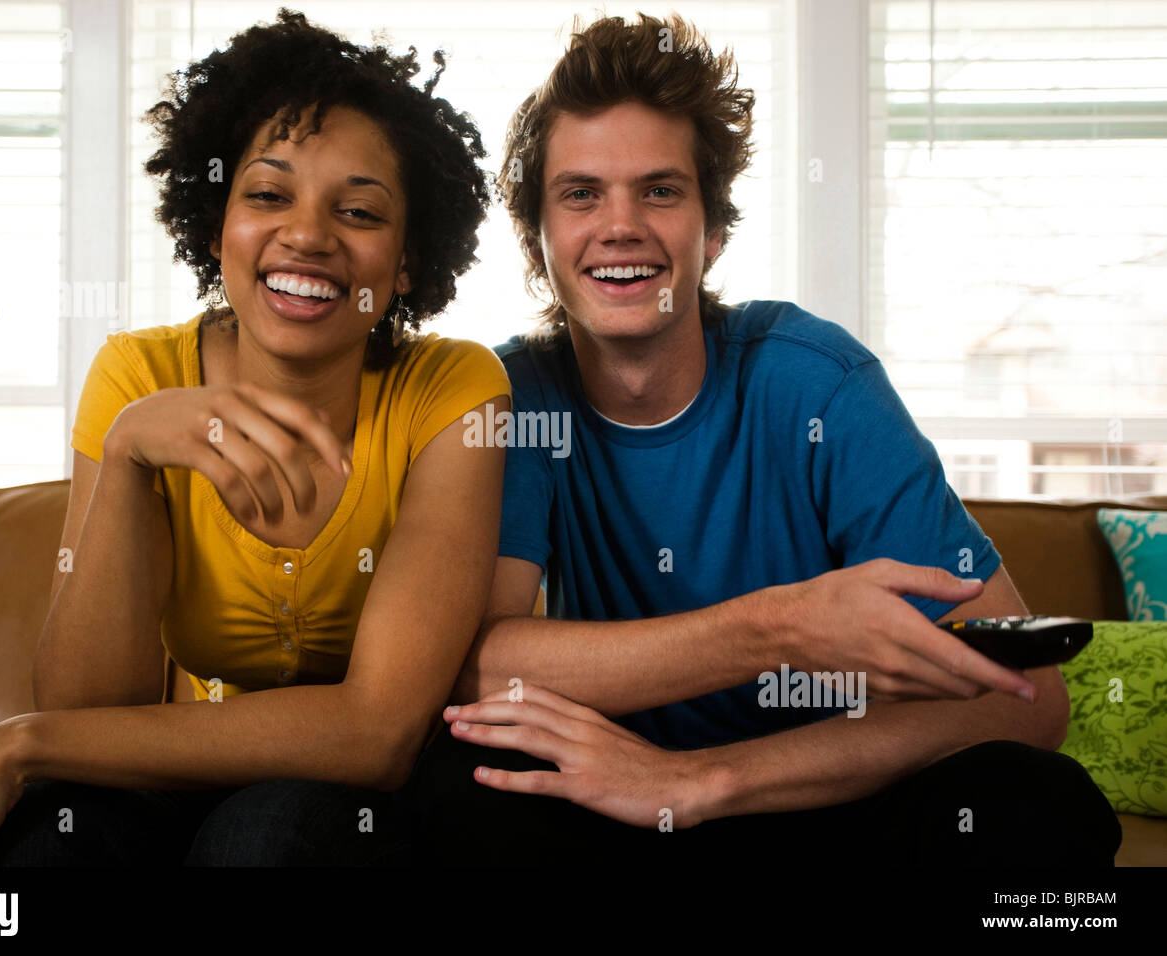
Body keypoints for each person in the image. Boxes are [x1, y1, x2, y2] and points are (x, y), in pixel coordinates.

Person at [412, 12, 1121, 866]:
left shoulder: (814, 381)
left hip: (815, 801)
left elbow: (1029, 699)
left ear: (712, 234)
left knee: (1038, 805)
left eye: (661, 191)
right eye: (582, 193)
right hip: (613, 813)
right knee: (450, 782)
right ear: (539, 242)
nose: (621, 225)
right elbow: (471, 669)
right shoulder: (513, 398)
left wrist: (699, 781)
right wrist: (782, 628)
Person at [0, 9, 509, 866]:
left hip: (346, 805)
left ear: (405, 261)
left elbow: (374, 734)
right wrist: (132, 456)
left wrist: (13, 743)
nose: (308, 234)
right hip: (153, 777)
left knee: (265, 842)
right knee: (46, 853)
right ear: (217, 225)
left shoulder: (455, 389)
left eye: (359, 211)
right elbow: (89, 703)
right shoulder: (137, 376)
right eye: (266, 194)